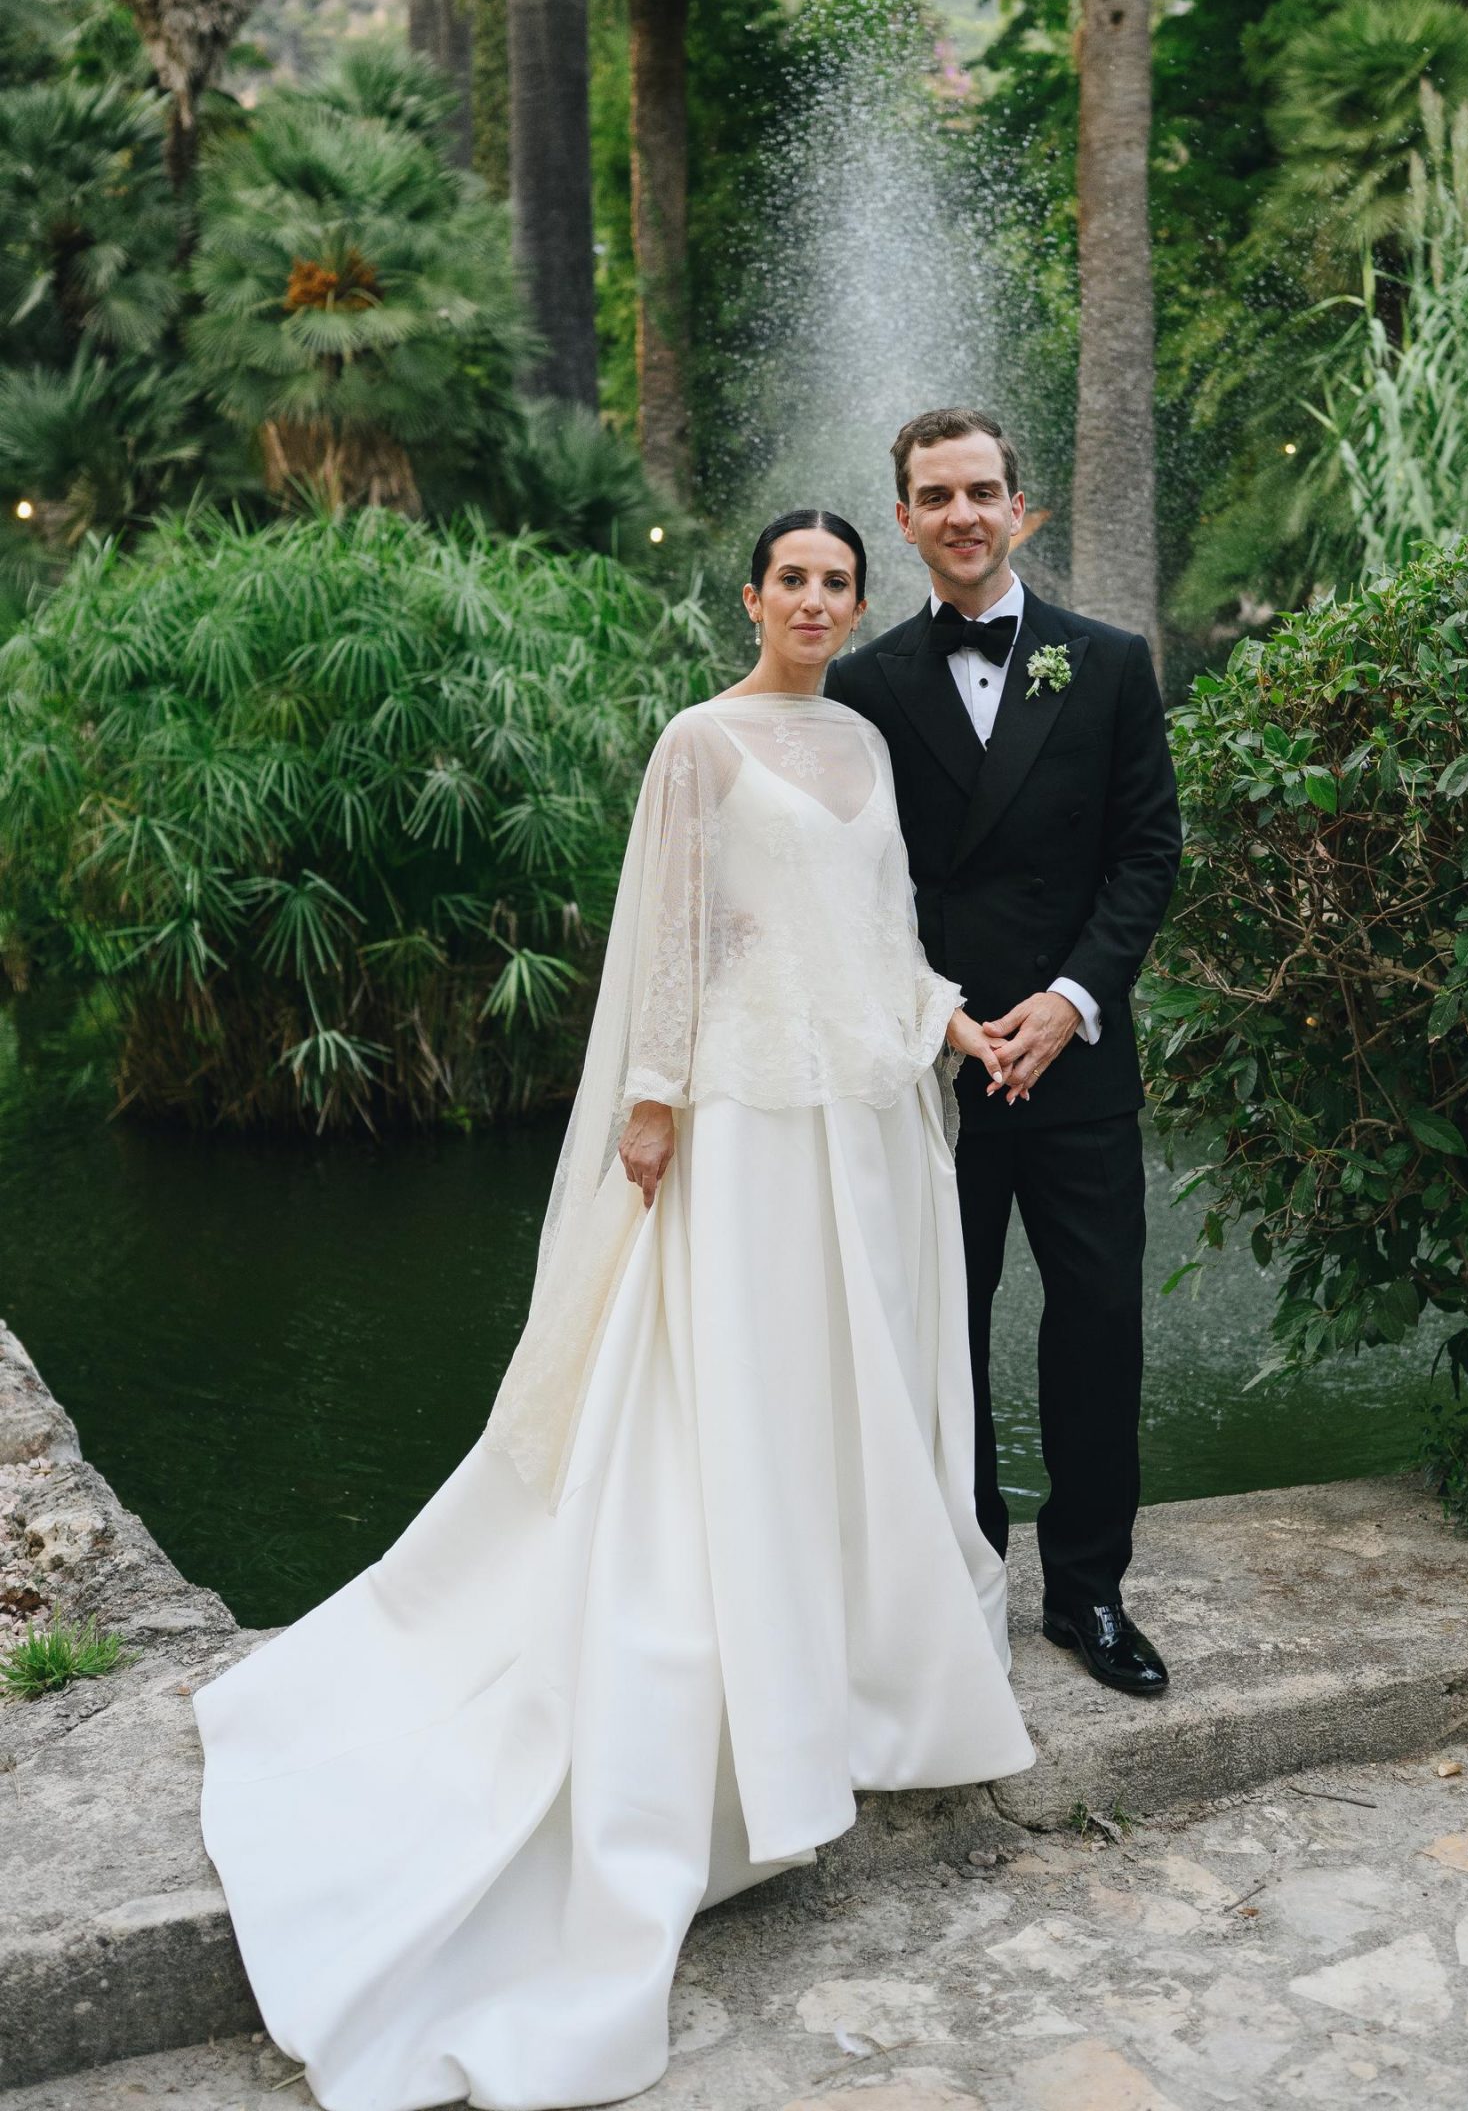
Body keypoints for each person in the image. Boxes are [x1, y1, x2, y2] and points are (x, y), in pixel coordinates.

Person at [194, 511, 1034, 2111]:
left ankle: (863, 1659)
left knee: (852, 1394)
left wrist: (946, 1022)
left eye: (836, 584)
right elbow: (673, 938)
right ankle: (739, 1662)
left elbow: (877, 935)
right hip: (746, 1122)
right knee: (746, 1390)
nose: (812, 601)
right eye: (790, 579)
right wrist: (652, 1100)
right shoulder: (698, 745)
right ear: (750, 596)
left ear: (860, 606)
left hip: (860, 1120)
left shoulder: (862, 738)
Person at [827, 410, 1182, 1697]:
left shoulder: (1109, 662)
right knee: (946, 1338)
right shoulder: (862, 689)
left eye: (984, 491)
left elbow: (1147, 853)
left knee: (1096, 1332)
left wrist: (1072, 999)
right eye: (936, 496)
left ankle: (1088, 1596)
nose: (963, 513)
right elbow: (858, 887)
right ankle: (966, 1584)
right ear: (908, 520)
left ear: (1021, 510)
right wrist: (946, 1015)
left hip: (1077, 1062)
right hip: (937, 1071)